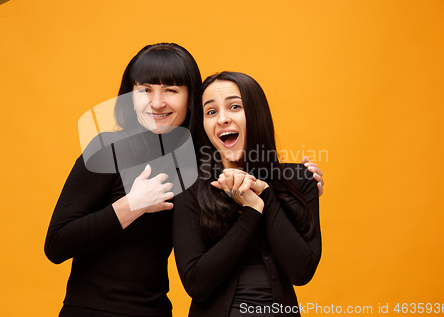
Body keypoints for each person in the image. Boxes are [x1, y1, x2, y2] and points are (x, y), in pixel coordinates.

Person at [45, 44, 324, 317]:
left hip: (155, 311)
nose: (156, 102)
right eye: (144, 90)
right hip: (93, 310)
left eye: (170, 90)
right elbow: (56, 244)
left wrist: (295, 186)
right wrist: (132, 205)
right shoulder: (110, 148)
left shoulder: (195, 163)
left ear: (190, 99)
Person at [173, 72, 322, 317]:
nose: (222, 119)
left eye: (234, 107)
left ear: (256, 113)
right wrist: (251, 212)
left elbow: (302, 271)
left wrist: (266, 197)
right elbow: (196, 284)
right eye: (211, 112)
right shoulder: (190, 186)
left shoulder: (300, 179)